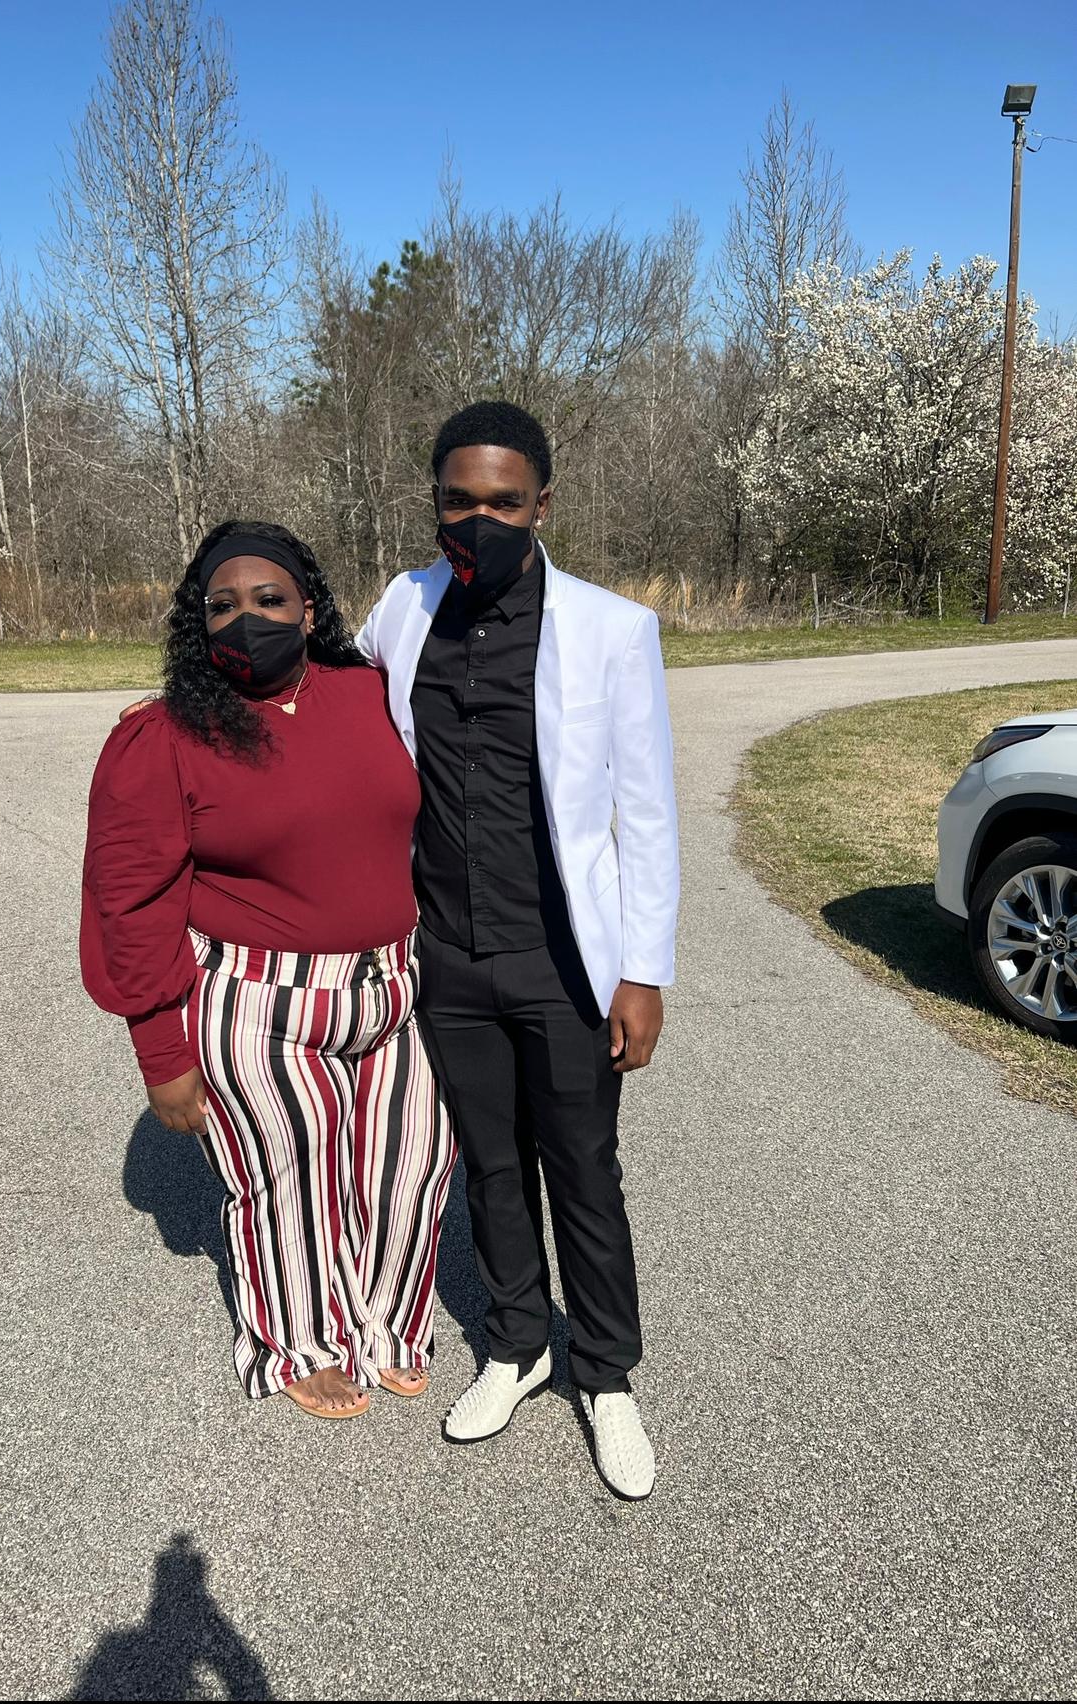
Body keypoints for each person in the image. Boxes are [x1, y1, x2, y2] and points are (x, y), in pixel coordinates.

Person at [356, 401, 679, 1499]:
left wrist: (644, 970)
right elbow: (331, 711)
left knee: (583, 1167)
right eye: (459, 500)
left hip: (564, 958)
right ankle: (517, 1344)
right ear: (435, 502)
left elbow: (647, 813)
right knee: (490, 1164)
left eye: (503, 501)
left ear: (542, 504)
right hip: (447, 952)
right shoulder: (402, 608)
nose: (479, 520)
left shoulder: (612, 629)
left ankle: (608, 1372)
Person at [81, 520, 455, 1419]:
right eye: (222, 606)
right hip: (260, 1001)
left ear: (310, 609)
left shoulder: (373, 692)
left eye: (269, 598)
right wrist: (161, 1052)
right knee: (289, 1175)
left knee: (415, 1163)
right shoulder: (164, 736)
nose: (246, 618)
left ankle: (387, 1323)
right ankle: (299, 1340)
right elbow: (129, 901)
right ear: (198, 623)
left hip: (392, 989)